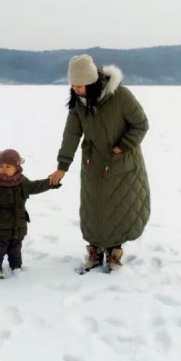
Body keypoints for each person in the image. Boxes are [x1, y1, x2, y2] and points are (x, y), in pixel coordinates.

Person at [49, 54, 150, 272]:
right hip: (93, 164)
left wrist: (122, 147)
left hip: (121, 163)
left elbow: (141, 124)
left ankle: (114, 252)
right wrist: (61, 167)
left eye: (79, 86)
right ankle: (94, 251)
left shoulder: (120, 96)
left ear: (92, 82)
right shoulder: (79, 103)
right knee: (93, 208)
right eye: (73, 86)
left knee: (118, 208)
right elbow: (71, 135)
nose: (75, 90)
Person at [0, 148, 61, 279]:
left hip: (18, 224)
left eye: (8, 166)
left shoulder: (22, 182)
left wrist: (50, 183)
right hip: (0, 224)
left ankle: (16, 266)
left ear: (17, 167)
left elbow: (35, 186)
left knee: (15, 248)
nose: (3, 169)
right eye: (1, 166)